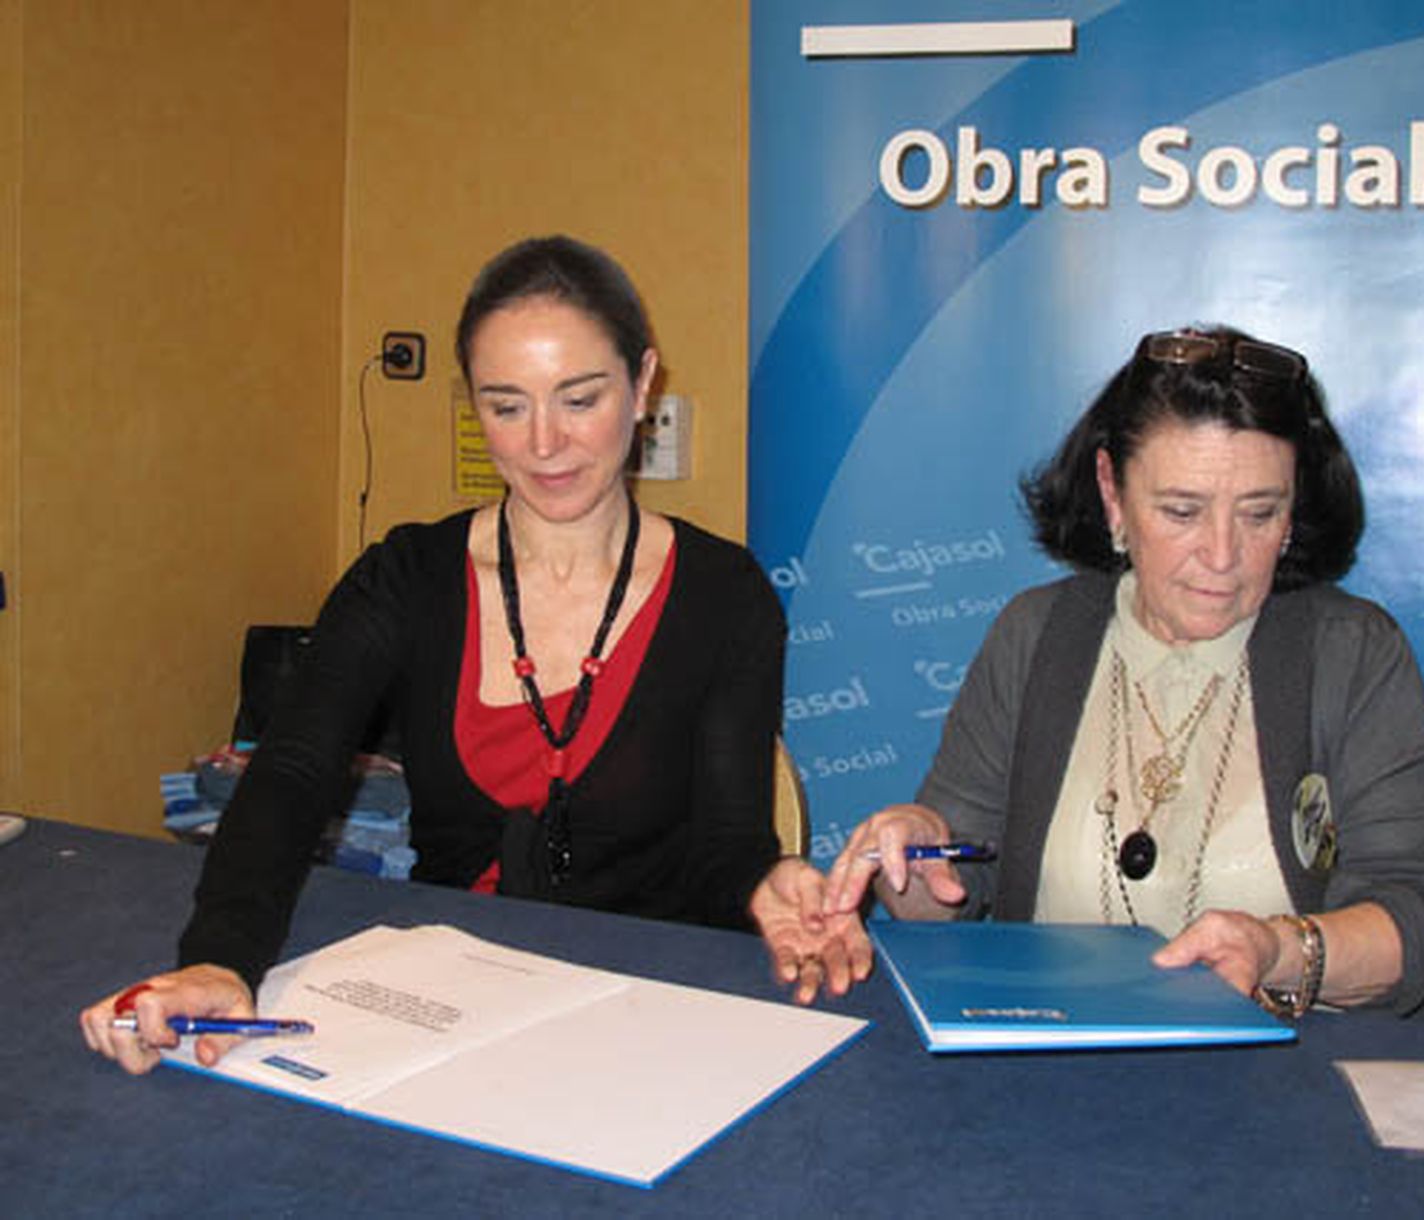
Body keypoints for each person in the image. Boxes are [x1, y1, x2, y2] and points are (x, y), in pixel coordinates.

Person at [83, 235, 869, 1074]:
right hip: (450, 1009)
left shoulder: (725, 594)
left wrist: (760, 882)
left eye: (580, 399)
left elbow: (726, 841)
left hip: (653, 1012)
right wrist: (219, 957)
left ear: (643, 384)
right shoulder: (405, 578)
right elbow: (291, 773)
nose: (544, 444)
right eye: (506, 406)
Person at [825, 325, 1424, 1022]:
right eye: (1182, 511)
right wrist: (913, 864)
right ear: (1112, 493)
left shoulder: (1354, 651)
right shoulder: (1036, 634)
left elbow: (1423, 922)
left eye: (1260, 513)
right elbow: (950, 897)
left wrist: (1278, 951)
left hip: (1298, 1063)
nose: (1222, 555)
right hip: (1065, 1061)